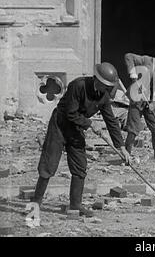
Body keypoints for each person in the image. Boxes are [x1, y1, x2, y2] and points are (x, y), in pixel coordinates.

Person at [31, 63, 131, 217]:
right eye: (105, 85)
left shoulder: (103, 96)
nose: (107, 89)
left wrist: (122, 147)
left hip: (76, 129)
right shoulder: (78, 86)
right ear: (97, 79)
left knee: (80, 167)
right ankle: (35, 203)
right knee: (48, 165)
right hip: (60, 125)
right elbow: (71, 113)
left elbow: (111, 121)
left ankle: (75, 205)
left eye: (109, 86)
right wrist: (90, 123)